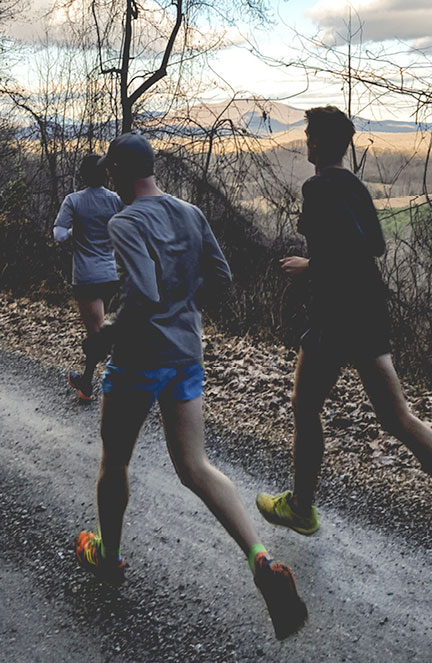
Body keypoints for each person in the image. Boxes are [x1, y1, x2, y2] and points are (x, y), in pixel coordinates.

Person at [256, 106, 432, 595]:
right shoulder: (355, 188)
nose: (305, 143)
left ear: (316, 144)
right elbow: (373, 246)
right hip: (368, 312)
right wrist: (319, 248)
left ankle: (302, 508)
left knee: (305, 406)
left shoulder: (317, 188)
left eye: (308, 136)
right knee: (400, 420)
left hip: (336, 316)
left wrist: (310, 266)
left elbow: (343, 253)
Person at [74, 133, 307, 641]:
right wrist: (183, 305)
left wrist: (105, 336)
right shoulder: (190, 211)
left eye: (111, 171)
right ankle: (260, 559)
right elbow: (221, 278)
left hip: (138, 361)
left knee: (115, 462)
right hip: (185, 355)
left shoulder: (125, 221)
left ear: (117, 172)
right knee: (196, 467)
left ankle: (109, 558)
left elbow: (142, 292)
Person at [54, 154, 122, 400]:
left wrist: (74, 231)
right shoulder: (116, 200)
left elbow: (59, 235)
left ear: (83, 175)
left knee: (97, 336)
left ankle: (124, 381)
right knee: (98, 331)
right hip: (111, 275)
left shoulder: (73, 201)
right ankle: (85, 384)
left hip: (86, 277)